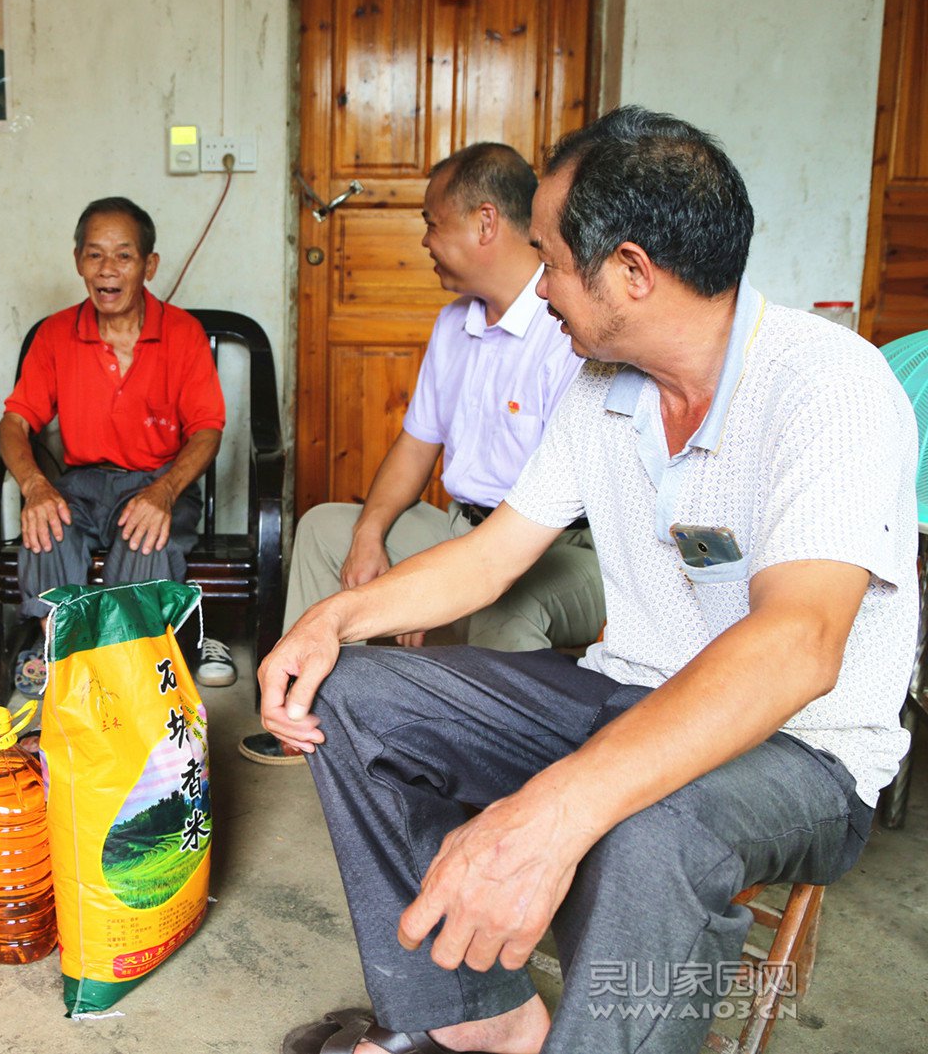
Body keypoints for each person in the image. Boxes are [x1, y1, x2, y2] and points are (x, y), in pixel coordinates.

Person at [263, 107, 916, 1054]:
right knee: (354, 696)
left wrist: (553, 806)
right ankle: (483, 1019)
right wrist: (335, 618)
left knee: (658, 824)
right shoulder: (600, 382)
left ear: (633, 272)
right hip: (625, 686)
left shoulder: (829, 387)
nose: (541, 286)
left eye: (552, 261)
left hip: (801, 750)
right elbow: (492, 556)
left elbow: (800, 647)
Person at [241, 143, 603, 766]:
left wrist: (425, 586)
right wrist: (370, 534)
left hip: (567, 549)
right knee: (329, 526)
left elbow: (534, 523)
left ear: (485, 222)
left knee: (504, 601)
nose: (426, 241)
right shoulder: (454, 323)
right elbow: (414, 447)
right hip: (466, 529)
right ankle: (304, 720)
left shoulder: (564, 329)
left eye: (433, 224)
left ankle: (505, 765)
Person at [0, 196, 235, 688]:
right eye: (95, 254)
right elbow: (16, 422)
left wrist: (165, 492)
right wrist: (35, 486)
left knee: (145, 535)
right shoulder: (55, 334)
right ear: (78, 261)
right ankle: (57, 651)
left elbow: (207, 430)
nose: (108, 269)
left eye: (124, 255)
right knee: (47, 524)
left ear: (149, 265)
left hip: (157, 479)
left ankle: (124, 669)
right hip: (82, 483)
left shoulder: (183, 334)